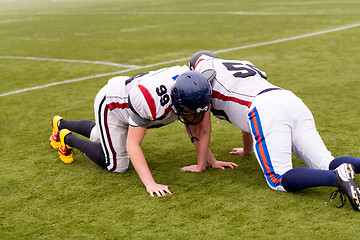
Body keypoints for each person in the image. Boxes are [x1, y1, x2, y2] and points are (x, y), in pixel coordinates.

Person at [184, 50, 360, 211]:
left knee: (278, 178)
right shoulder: (241, 62)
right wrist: (247, 149)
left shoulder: (200, 74)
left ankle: (336, 178)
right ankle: (340, 171)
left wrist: (201, 165)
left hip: (264, 108)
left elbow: (204, 128)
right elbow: (245, 112)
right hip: (289, 99)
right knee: (325, 162)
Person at [49, 66, 237, 197]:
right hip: (113, 105)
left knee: (99, 136)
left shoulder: (195, 88)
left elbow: (198, 129)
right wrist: (150, 183)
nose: (195, 115)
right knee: (116, 165)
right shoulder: (151, 102)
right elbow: (133, 144)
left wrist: (209, 161)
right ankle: (67, 138)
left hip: (130, 101)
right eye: (188, 111)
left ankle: (61, 123)